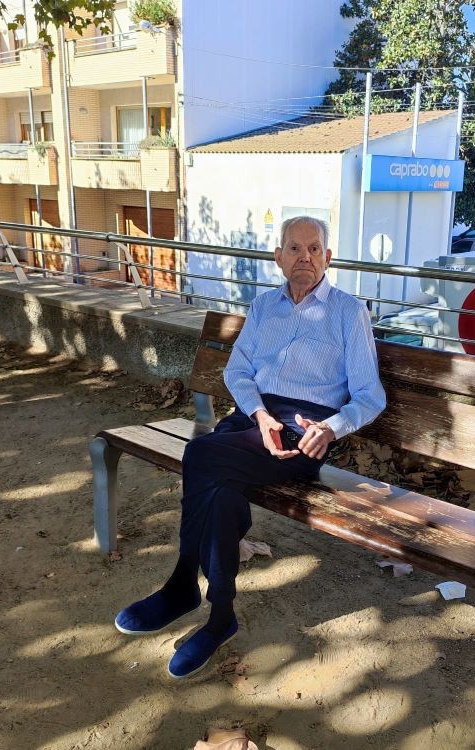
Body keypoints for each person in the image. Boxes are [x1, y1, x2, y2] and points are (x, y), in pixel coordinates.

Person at [114, 216, 387, 679]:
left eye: (314, 249)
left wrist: (331, 428)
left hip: (304, 431)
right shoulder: (263, 307)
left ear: (328, 257)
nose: (305, 257)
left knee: (200, 454)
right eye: (294, 248)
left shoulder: (348, 312)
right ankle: (221, 616)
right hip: (252, 421)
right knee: (221, 491)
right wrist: (259, 415)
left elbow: (369, 396)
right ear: (278, 257)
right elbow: (237, 372)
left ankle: (182, 584)